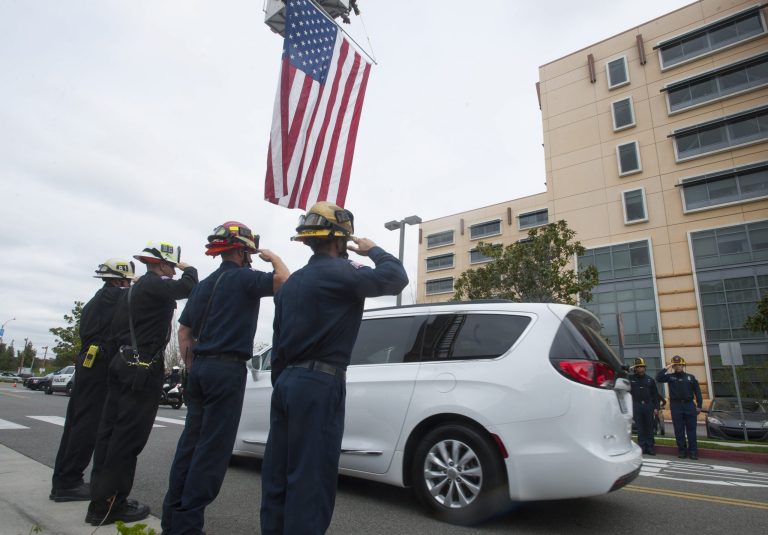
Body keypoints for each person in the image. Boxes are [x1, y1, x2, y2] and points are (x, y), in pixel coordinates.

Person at [260, 202, 408, 535]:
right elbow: (396, 278)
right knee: (311, 478)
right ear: (340, 239)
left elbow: (279, 344)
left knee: (278, 474)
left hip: (286, 383)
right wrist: (374, 250)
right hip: (320, 382)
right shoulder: (344, 274)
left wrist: (284, 384)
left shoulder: (292, 284)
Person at [161, 221, 289, 535]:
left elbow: (184, 331)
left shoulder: (204, 285)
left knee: (189, 446)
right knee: (212, 451)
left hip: (200, 368)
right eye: (248, 250)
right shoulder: (246, 279)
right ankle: (188, 526)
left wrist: (193, 366)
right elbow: (286, 282)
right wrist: (272, 258)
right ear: (242, 249)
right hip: (226, 369)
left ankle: (172, 522)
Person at [86, 242, 197, 526]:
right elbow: (187, 288)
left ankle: (101, 501)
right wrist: (190, 270)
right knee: (127, 438)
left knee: (110, 434)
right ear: (161, 264)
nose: (173, 272)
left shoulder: (133, 290)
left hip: (123, 364)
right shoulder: (152, 284)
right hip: (141, 368)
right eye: (171, 266)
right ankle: (111, 505)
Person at [50, 259, 135, 502]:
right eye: (127, 281)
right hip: (99, 365)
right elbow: (137, 298)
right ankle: (69, 482)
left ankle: (62, 480)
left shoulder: (95, 301)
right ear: (120, 280)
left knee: (76, 421)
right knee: (88, 424)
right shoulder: (115, 297)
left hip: (88, 362)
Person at [656, 355, 703, 460]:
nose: (678, 367)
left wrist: (699, 405)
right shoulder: (670, 377)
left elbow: (698, 393)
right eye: (676, 365)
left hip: (689, 405)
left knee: (691, 430)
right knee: (679, 430)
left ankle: (693, 452)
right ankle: (682, 451)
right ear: (673, 366)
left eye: (680, 365)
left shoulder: (691, 377)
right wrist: (667, 367)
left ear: (683, 365)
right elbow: (658, 378)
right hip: (676, 405)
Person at [628, 357, 660, 456]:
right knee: (640, 428)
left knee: (649, 427)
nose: (640, 369)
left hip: (648, 405)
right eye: (638, 367)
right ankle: (642, 447)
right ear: (635, 368)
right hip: (636, 405)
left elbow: (655, 395)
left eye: (642, 367)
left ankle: (650, 447)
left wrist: (656, 407)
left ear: (645, 368)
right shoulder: (630, 379)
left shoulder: (650, 380)